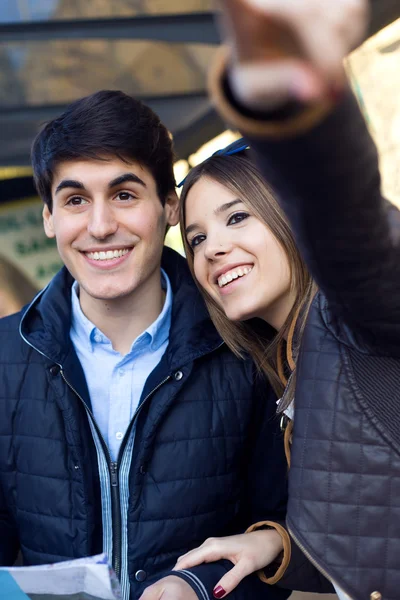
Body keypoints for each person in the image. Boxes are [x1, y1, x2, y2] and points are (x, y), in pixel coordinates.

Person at [0, 90, 295, 600]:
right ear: (50, 217)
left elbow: (284, 536)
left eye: (124, 195)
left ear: (169, 206)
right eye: (75, 201)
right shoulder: (3, 356)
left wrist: (199, 586)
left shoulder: (247, 346)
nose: (100, 226)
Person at [175, 1, 400, 599]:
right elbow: (369, 535)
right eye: (196, 239)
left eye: (238, 217)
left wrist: (292, 101)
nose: (214, 249)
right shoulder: (283, 367)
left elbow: (350, 224)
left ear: (289, 218)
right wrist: (276, 544)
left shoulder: (353, 311)